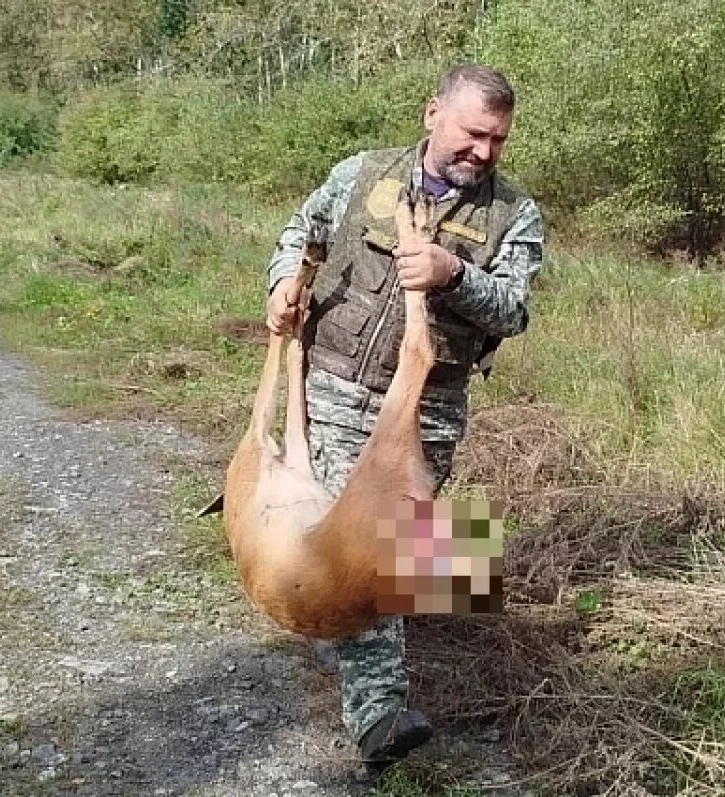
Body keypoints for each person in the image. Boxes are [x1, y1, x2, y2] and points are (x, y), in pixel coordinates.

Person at [263, 63, 544, 770]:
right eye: (474, 133)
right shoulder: (362, 172)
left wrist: (455, 275)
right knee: (373, 546)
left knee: (397, 546)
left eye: (498, 141)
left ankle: (357, 612)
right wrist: (280, 288)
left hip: (429, 405)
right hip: (330, 387)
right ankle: (379, 714)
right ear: (432, 115)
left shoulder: (516, 213)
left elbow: (515, 310)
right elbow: (303, 232)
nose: (483, 152)